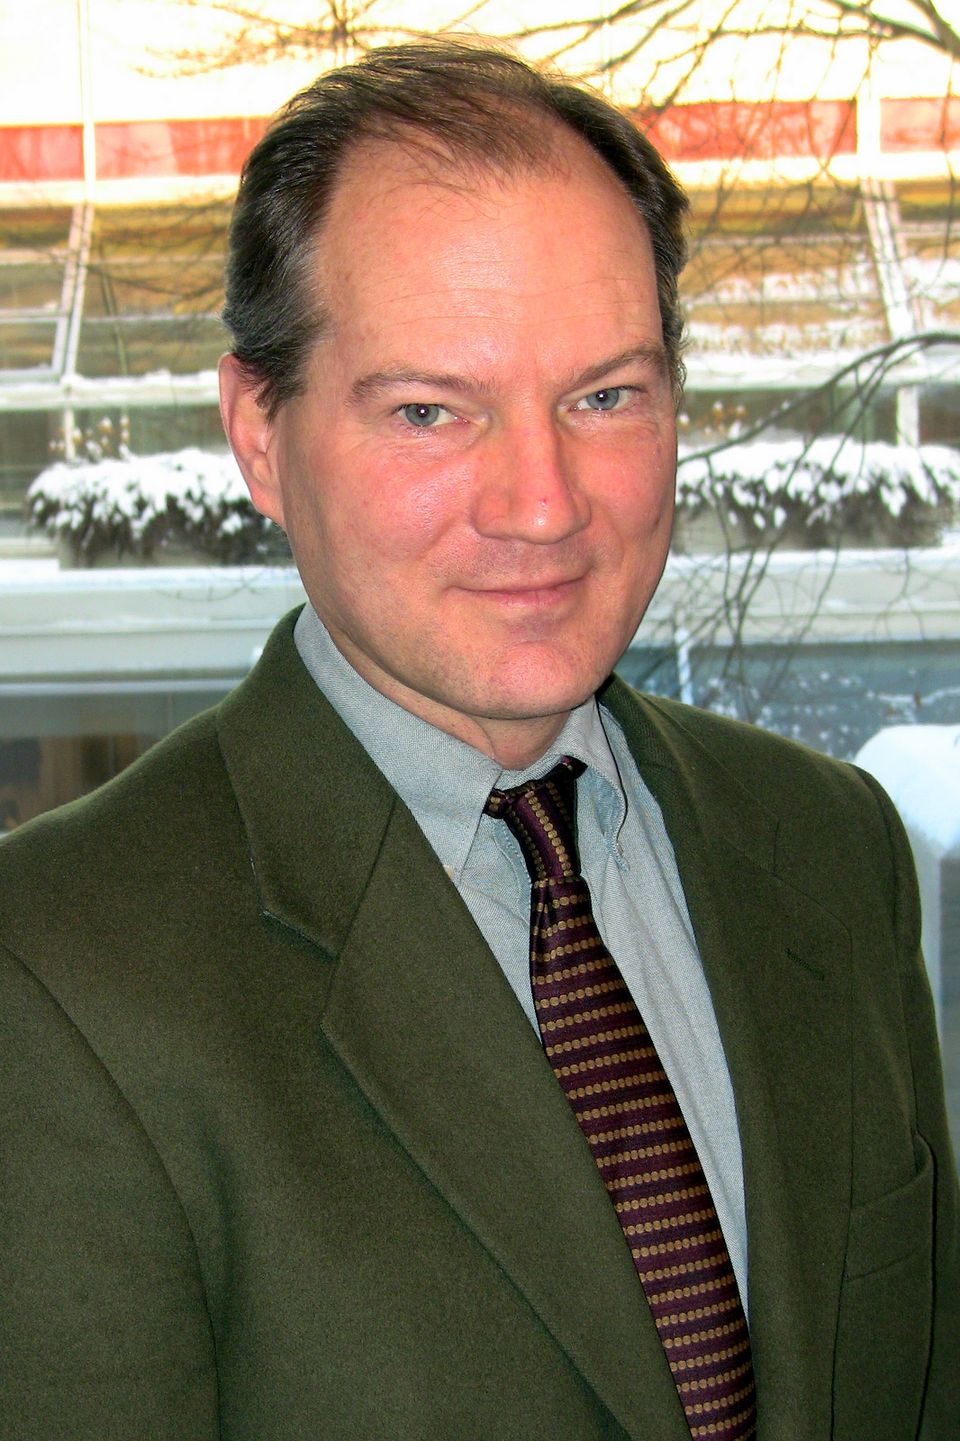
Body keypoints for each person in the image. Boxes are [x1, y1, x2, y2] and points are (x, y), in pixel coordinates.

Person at [1, 39, 956, 1441]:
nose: (542, 502)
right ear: (258, 433)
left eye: (605, 395)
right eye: (430, 412)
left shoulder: (832, 846)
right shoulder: (55, 976)